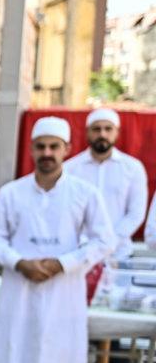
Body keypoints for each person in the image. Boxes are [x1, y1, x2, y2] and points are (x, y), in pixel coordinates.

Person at [0, 117, 114, 363]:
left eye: (54, 146)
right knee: (12, 356)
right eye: (41, 146)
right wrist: (20, 262)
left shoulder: (85, 194)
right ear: (31, 149)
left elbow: (104, 240)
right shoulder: (12, 193)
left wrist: (63, 263)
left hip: (63, 291)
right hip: (19, 288)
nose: (47, 153)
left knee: (56, 361)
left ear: (67, 150)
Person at [64, 108, 148, 260]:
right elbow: (66, 212)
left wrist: (109, 242)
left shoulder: (133, 168)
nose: (102, 134)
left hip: (119, 254)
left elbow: (136, 214)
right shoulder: (70, 169)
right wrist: (86, 244)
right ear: (87, 132)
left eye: (108, 129)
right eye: (96, 129)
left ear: (117, 132)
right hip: (78, 254)